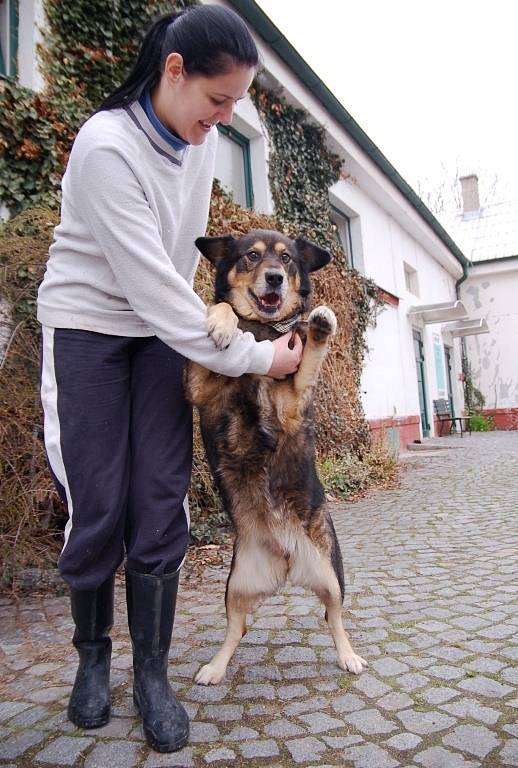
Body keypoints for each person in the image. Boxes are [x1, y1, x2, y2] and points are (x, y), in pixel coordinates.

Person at [37, 5, 303, 754]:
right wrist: (257, 356)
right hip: (89, 328)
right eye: (217, 100)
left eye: (235, 107)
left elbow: (183, 271)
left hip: (157, 338)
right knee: (98, 500)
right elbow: (154, 286)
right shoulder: (105, 146)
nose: (222, 118)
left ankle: (151, 674)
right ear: (175, 71)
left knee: (160, 497)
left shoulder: (201, 144)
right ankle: (94, 662)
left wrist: (227, 321)